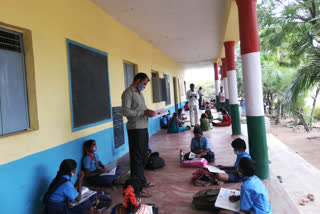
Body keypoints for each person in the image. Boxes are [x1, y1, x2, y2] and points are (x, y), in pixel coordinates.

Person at [121, 73, 156, 196]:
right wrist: (143, 112)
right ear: (138, 80)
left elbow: (142, 109)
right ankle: (136, 190)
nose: (144, 86)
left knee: (142, 156)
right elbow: (125, 111)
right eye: (144, 83)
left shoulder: (139, 93)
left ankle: (141, 181)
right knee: (136, 158)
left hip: (143, 128)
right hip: (135, 129)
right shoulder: (128, 93)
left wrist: (149, 112)